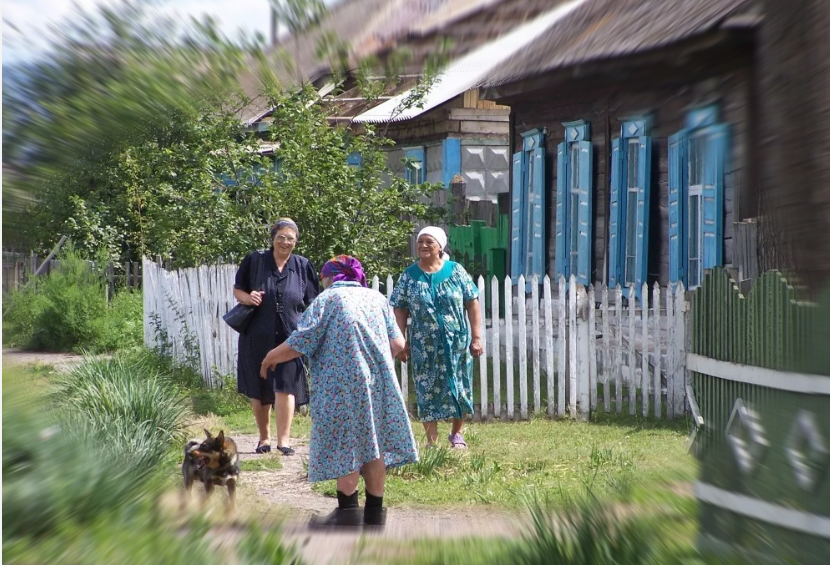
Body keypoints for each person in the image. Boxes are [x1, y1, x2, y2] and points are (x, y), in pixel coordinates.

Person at [260, 255, 417, 528]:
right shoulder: (377, 299)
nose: (322, 282)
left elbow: (301, 341)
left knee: (348, 446)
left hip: (342, 388)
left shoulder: (327, 300)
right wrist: (374, 361)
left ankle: (346, 518)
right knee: (373, 445)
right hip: (379, 384)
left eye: (323, 278)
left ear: (332, 277)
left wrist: (271, 356)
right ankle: (374, 519)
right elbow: (399, 342)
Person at [389, 226, 484, 449]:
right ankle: (432, 442)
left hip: (456, 342)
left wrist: (477, 337)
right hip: (424, 344)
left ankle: (457, 434)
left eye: (428, 242)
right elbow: (400, 310)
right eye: (420, 241)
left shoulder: (456, 271)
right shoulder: (409, 276)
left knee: (459, 385)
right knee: (426, 388)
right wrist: (401, 342)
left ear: (440, 247)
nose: (422, 245)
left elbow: (472, 303)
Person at [233, 218, 320, 456]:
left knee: (286, 385)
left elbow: (313, 302)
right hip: (257, 334)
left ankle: (285, 440)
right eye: (281, 236)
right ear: (273, 238)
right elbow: (237, 289)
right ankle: (264, 438)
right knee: (260, 388)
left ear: (296, 241)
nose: (285, 242)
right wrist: (247, 297)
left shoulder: (302, 266)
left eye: (290, 238)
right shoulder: (255, 261)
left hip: (291, 337)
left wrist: (309, 329)